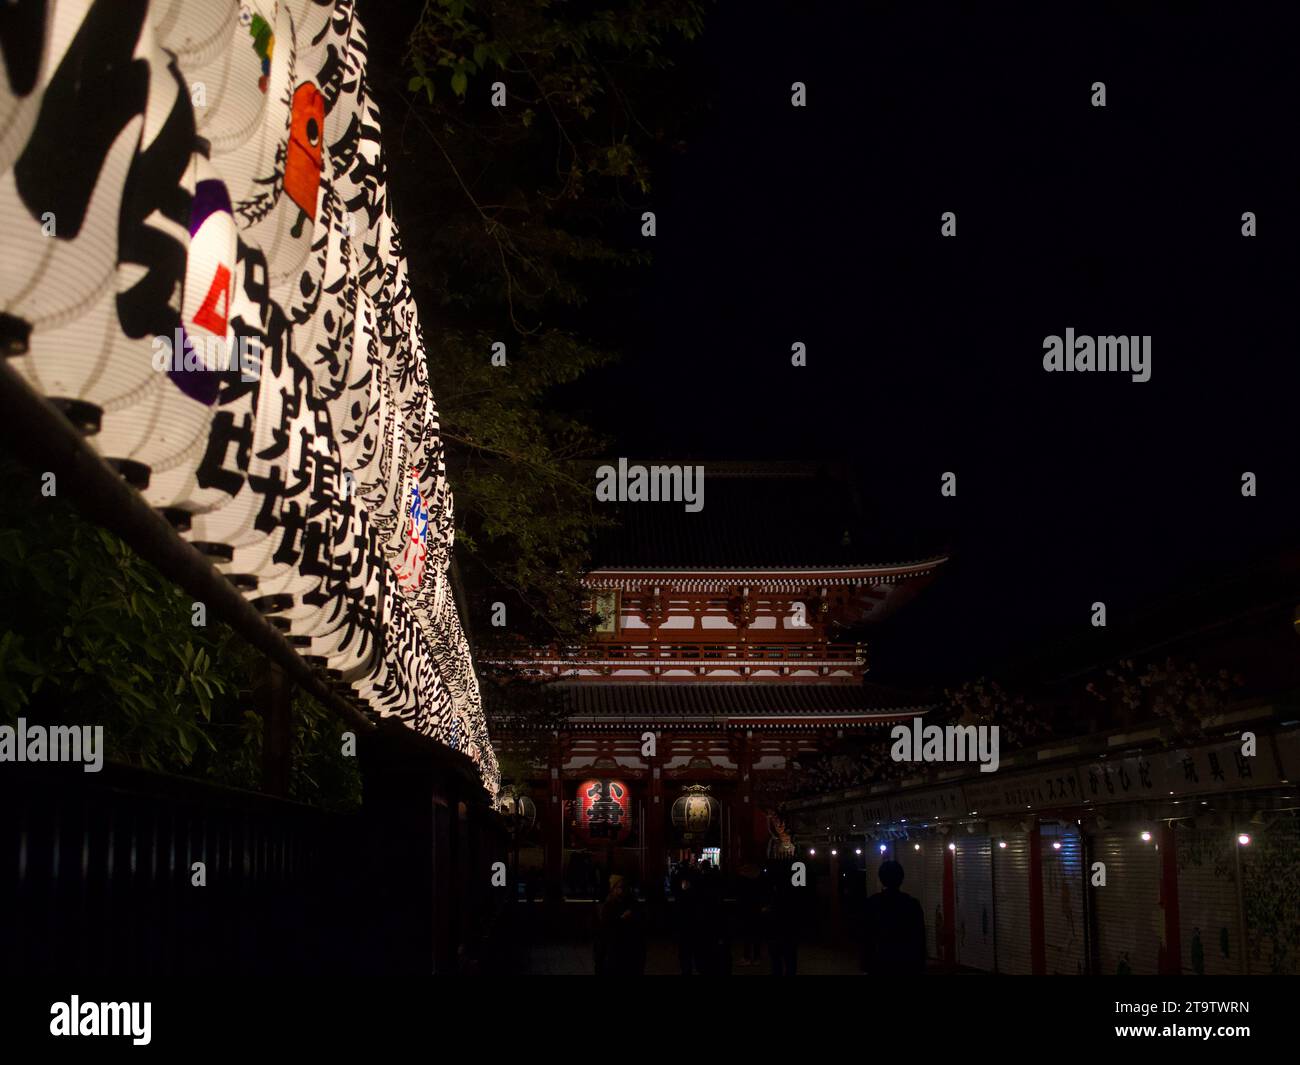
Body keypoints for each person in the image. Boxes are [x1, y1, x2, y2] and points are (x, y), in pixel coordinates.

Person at [860, 859, 926, 976]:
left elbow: (867, 936)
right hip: (906, 962)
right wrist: (919, 964)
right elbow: (919, 937)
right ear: (901, 879)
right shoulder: (911, 904)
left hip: (880, 961)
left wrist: (866, 964)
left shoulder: (873, 903)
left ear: (881, 879)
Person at [594, 874, 646, 975]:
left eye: (624, 887)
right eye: (619, 887)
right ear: (613, 889)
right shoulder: (609, 905)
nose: (622, 890)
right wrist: (621, 919)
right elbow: (606, 928)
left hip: (630, 948)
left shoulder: (631, 902)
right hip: (615, 948)